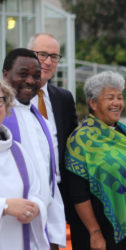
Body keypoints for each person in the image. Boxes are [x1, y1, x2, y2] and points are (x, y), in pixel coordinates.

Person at [65, 71, 126, 250]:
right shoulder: (81, 141)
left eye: (120, 97)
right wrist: (95, 232)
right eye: (110, 97)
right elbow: (78, 194)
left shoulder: (125, 133)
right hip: (109, 231)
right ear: (93, 103)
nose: (117, 103)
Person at [2, 48, 66, 249]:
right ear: (5, 75)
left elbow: (49, 182)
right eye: (23, 74)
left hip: (39, 228)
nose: (30, 81)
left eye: (36, 76)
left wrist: (54, 234)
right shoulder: (4, 123)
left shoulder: (41, 121)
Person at [27, 33, 78, 220]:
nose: (48, 62)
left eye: (54, 56)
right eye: (42, 54)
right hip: (27, 194)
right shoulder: (12, 99)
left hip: (60, 191)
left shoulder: (64, 98)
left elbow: (73, 145)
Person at [0, 78, 48, 250]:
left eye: (0, 100)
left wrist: (35, 207)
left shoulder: (17, 151)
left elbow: (36, 191)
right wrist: (4, 206)